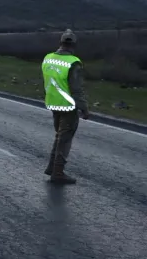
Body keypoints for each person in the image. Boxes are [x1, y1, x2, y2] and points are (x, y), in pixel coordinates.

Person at [42, 29, 90, 184]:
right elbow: (76, 88)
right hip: (68, 106)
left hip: (53, 102)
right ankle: (58, 172)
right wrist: (84, 107)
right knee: (65, 138)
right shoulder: (73, 62)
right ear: (74, 45)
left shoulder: (48, 58)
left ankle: (52, 167)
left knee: (59, 135)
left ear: (60, 43)